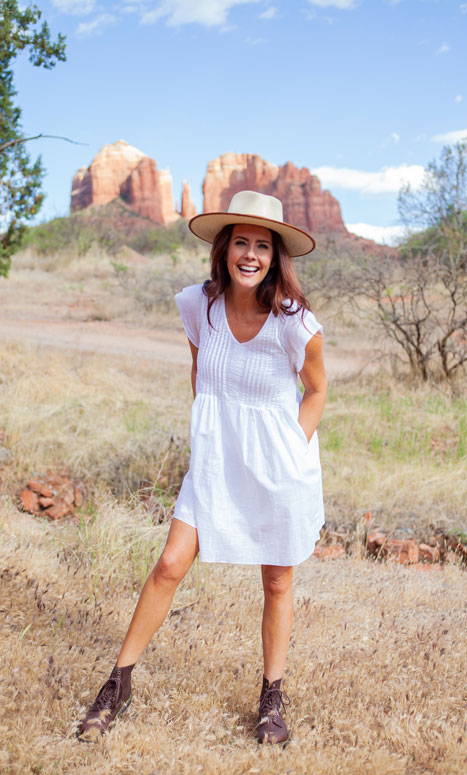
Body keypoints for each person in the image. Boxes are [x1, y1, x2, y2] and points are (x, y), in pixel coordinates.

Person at [76, 190, 327, 745]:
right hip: (215, 460)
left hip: (276, 467)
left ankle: (271, 700)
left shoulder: (295, 324)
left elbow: (316, 392)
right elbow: (201, 378)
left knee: (278, 579)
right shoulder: (198, 306)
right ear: (225, 247)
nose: (251, 255)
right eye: (242, 241)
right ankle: (118, 685)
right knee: (169, 563)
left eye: (263, 246)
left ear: (275, 257)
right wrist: (206, 440)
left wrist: (289, 447)